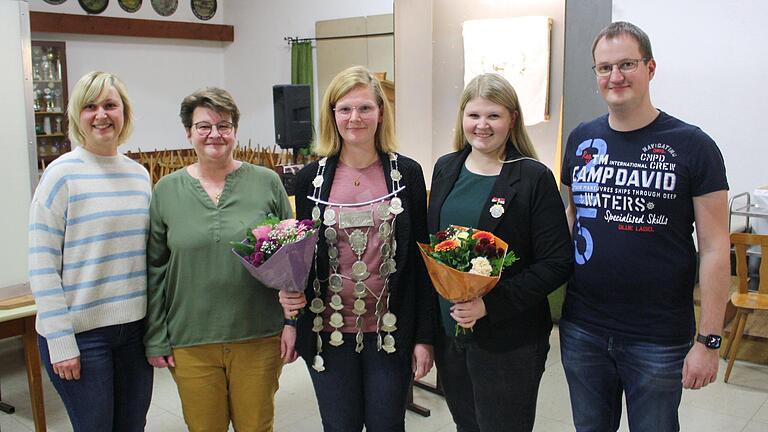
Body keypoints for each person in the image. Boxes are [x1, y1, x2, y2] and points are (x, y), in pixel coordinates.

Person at [560, 21, 730, 431]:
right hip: (583, 329)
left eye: (626, 65)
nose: (615, 77)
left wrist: (708, 341)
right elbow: (570, 218)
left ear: (650, 68)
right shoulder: (581, 140)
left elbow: (714, 248)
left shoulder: (693, 146)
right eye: (604, 68)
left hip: (658, 337)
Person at [279, 65, 435, 432]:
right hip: (327, 331)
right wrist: (289, 319)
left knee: (387, 425)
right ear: (332, 115)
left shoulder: (407, 174)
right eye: (345, 108)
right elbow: (298, 261)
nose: (355, 117)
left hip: (391, 331)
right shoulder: (310, 180)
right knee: (339, 426)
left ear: (381, 113)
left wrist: (426, 338)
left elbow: (421, 263)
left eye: (365, 108)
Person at [426, 73, 572, 432]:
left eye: (494, 116)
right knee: (467, 425)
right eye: (474, 115)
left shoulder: (533, 178)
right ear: (462, 118)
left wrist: (489, 304)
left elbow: (557, 262)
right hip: (450, 335)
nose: (482, 125)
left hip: (510, 340)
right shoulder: (446, 168)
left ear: (512, 120)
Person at [144, 87, 296, 432]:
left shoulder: (267, 183)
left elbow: (292, 264)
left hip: (258, 334)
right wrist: (156, 335)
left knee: (256, 426)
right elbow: (154, 269)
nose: (215, 134)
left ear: (235, 131)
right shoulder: (165, 191)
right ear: (188, 133)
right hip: (190, 340)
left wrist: (292, 324)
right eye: (203, 126)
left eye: (223, 125)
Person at [28, 71, 153, 431]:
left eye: (110, 105)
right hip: (83, 336)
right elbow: (42, 266)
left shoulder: (138, 175)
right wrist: (61, 341)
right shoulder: (60, 175)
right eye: (90, 106)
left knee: (132, 426)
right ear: (76, 116)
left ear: (124, 113)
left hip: (134, 332)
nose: (101, 114)